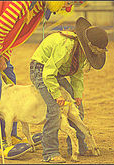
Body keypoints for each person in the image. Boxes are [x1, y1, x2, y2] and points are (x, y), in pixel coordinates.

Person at [0, 1, 73, 159]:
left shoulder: (40, 6)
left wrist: (4, 56)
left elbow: (13, 35)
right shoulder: (24, 2)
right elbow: (1, 27)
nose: (68, 5)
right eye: (67, 1)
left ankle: (9, 134)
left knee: (10, 77)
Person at [29, 17, 108, 163]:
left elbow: (77, 74)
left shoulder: (80, 50)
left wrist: (77, 95)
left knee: (77, 108)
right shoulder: (66, 45)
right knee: (54, 109)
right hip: (40, 71)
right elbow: (48, 73)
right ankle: (50, 152)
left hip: (56, 73)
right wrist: (56, 94)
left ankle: (79, 147)